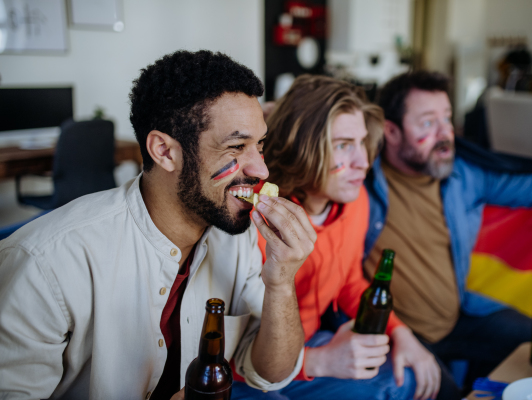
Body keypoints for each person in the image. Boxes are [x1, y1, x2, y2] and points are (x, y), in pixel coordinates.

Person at [0, 50, 316, 399]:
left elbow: (271, 374)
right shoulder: (45, 264)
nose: (261, 169)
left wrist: (282, 282)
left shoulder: (236, 236)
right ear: (165, 152)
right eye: (236, 146)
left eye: (259, 145)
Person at [364, 70, 532, 394]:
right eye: (427, 123)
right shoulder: (358, 180)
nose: (445, 134)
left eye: (447, 119)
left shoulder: (463, 173)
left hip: (459, 315)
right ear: (390, 131)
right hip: (397, 330)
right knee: (443, 391)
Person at [232, 75, 447, 400]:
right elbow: (221, 349)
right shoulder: (253, 219)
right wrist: (319, 361)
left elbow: (348, 282)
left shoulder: (355, 201)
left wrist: (400, 332)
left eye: (362, 143)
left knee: (412, 379)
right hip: (249, 369)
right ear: (302, 146)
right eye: (345, 145)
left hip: (311, 344)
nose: (364, 163)